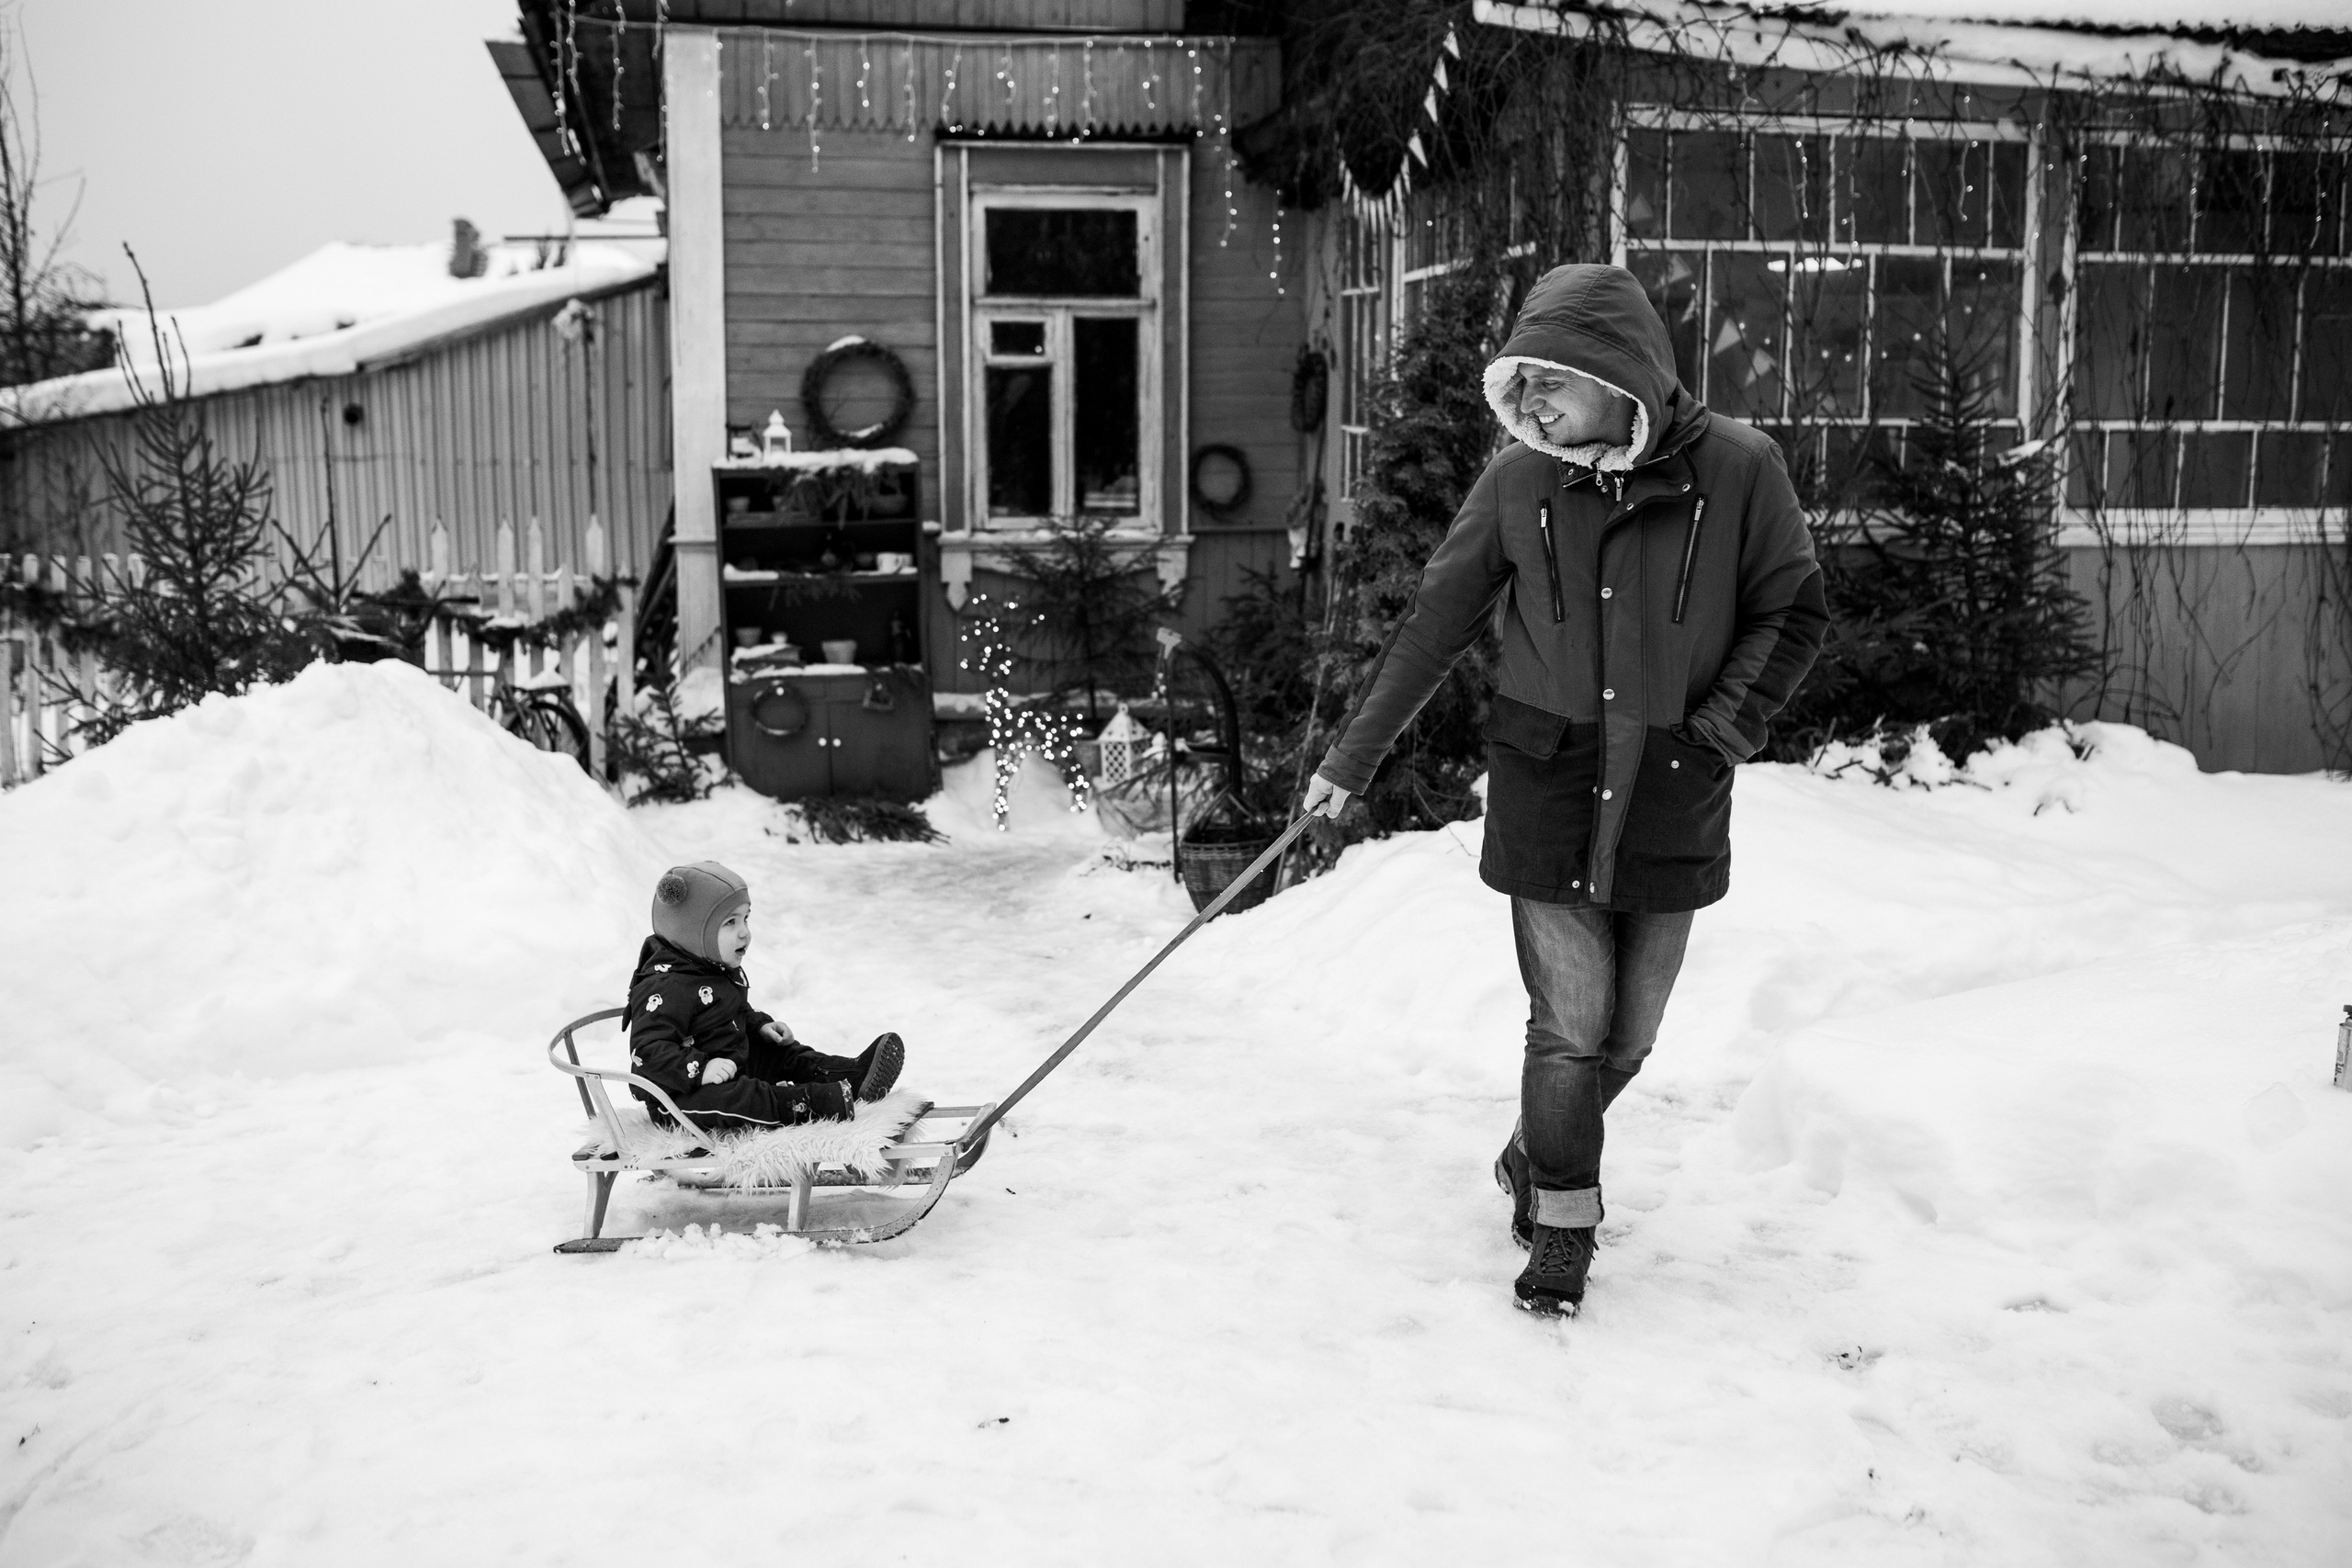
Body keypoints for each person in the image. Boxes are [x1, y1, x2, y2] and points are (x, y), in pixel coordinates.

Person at [1302, 263, 1827, 1317]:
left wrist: (1720, 729)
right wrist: (1345, 764)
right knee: (1568, 1026)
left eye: (1552, 379)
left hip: (1673, 784)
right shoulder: (1517, 483)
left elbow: (1794, 611)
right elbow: (1433, 629)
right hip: (1546, 780)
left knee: (1627, 1036)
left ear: (1619, 375)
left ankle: (1532, 1149)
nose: (1530, 400)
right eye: (1521, 381)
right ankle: (1562, 1226)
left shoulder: (1739, 469)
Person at [622, 861, 905, 1134]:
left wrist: (759, 1025)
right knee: (743, 1098)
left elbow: (733, 1011)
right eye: (730, 923)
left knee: (782, 1054)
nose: (744, 932)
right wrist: (699, 1069)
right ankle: (811, 1102)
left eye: (745, 919)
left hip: (730, 1064)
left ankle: (851, 1076)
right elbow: (647, 1051)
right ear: (692, 932)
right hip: (680, 1100)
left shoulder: (708, 966)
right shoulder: (665, 985)